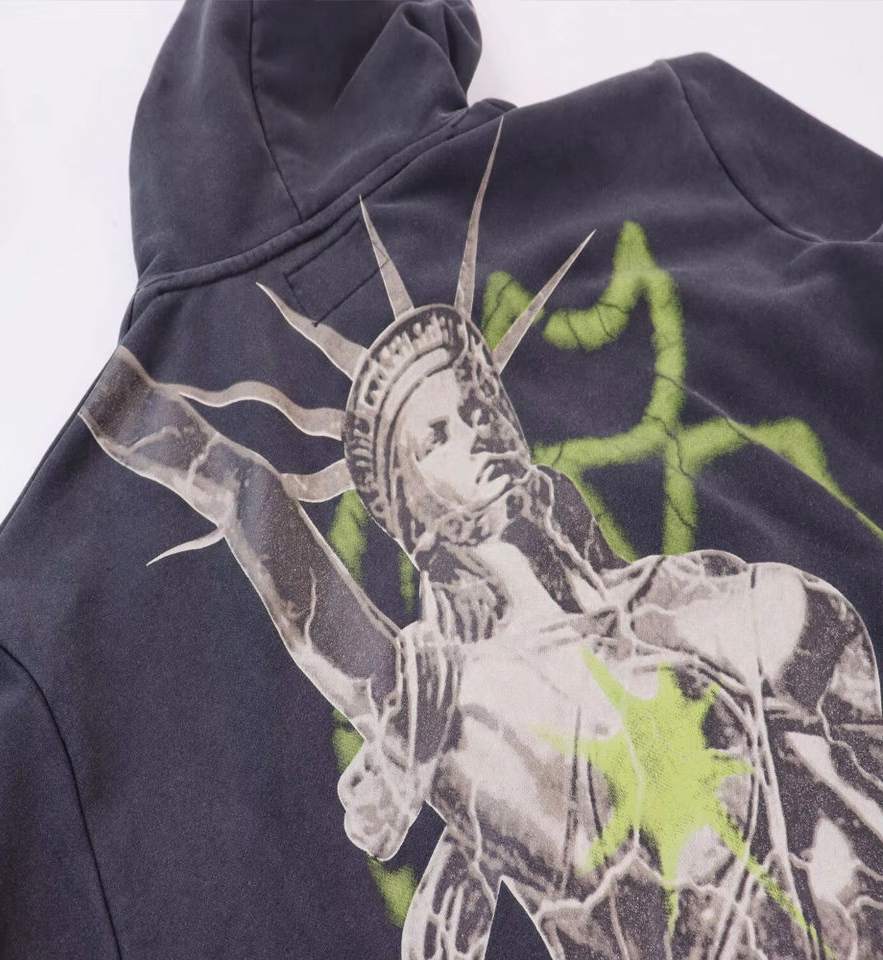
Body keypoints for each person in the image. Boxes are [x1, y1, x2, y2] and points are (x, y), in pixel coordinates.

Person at [81, 122, 883, 960]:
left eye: (481, 405)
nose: (480, 432)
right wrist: (155, 425)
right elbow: (269, 526)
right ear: (408, 508)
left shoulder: (716, 593)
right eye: (437, 436)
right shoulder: (451, 708)